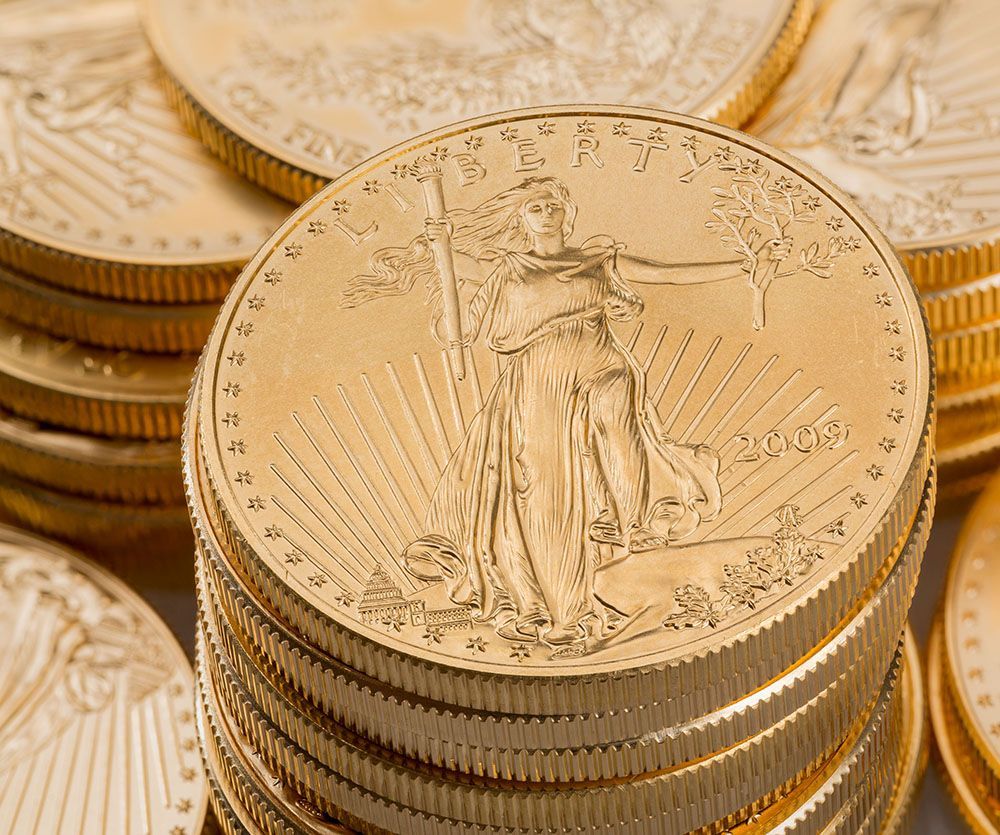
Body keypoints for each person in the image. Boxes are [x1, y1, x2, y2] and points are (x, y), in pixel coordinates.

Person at [343, 177, 757, 648]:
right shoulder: (507, 270)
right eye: (535, 206)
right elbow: (456, 305)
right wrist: (437, 250)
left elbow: (668, 272)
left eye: (552, 204)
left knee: (616, 421)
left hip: (601, 363)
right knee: (544, 491)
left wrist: (746, 264)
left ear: (567, 213)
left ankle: (632, 523)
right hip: (537, 382)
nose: (545, 212)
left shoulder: (596, 262)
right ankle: (560, 604)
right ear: (522, 219)